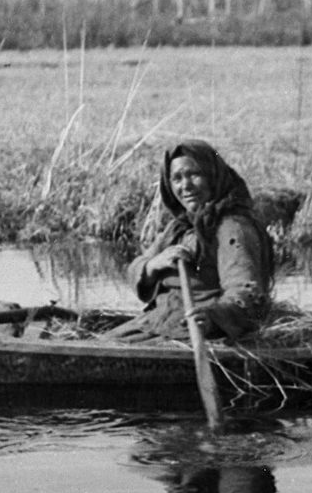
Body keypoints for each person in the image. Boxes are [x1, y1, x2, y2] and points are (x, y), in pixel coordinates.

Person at [110, 141, 275, 342]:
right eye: (177, 178)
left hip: (199, 331)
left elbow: (246, 291)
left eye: (194, 175)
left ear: (213, 176)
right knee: (104, 341)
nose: (185, 186)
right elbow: (135, 268)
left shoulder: (232, 228)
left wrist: (212, 318)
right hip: (162, 321)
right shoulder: (180, 227)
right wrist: (152, 265)